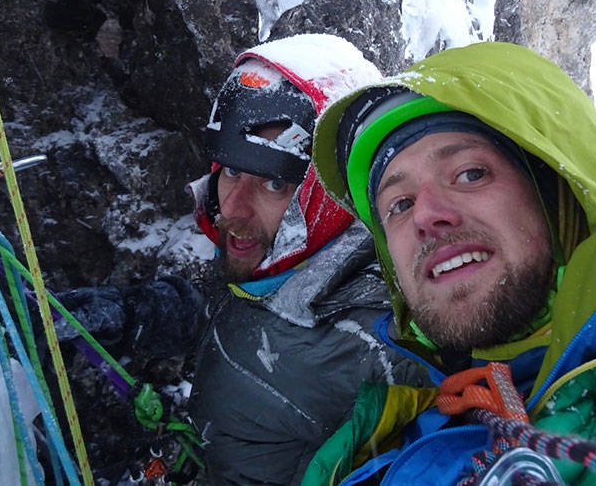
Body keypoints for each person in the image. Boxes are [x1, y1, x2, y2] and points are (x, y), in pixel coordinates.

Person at [301, 40, 596, 486]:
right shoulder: (374, 442)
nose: (424, 215)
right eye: (399, 204)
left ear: (561, 202)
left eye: (470, 173)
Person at [56, 33, 428, 486]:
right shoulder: (283, 258)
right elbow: (246, 313)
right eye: (232, 170)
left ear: (327, 195)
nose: (233, 207)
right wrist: (143, 314)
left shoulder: (384, 354)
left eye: (274, 184)